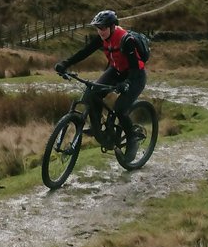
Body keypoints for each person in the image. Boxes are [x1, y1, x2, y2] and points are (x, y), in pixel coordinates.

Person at [55, 9, 147, 161]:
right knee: (92, 93)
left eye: (103, 28)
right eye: (98, 28)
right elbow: (85, 51)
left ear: (112, 26)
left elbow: (135, 67)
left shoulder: (126, 40)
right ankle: (98, 129)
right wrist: (66, 63)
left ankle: (132, 140)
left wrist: (127, 83)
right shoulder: (102, 38)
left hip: (135, 76)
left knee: (120, 109)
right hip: (116, 71)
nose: (100, 31)